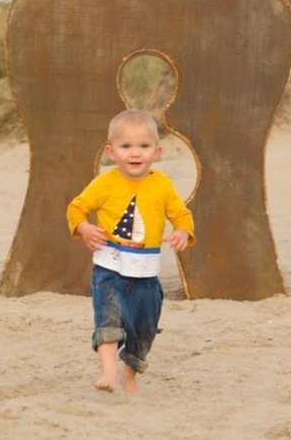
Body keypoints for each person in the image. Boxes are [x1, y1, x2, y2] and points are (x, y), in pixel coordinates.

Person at [67, 109, 195, 393]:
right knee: (108, 318)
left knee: (143, 331)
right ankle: (109, 371)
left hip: (146, 278)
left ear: (157, 151)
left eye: (144, 146)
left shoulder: (161, 184)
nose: (135, 153)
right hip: (109, 269)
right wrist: (85, 229)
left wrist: (182, 232)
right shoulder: (105, 183)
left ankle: (129, 376)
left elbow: (181, 214)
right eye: (126, 147)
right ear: (111, 152)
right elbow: (76, 207)